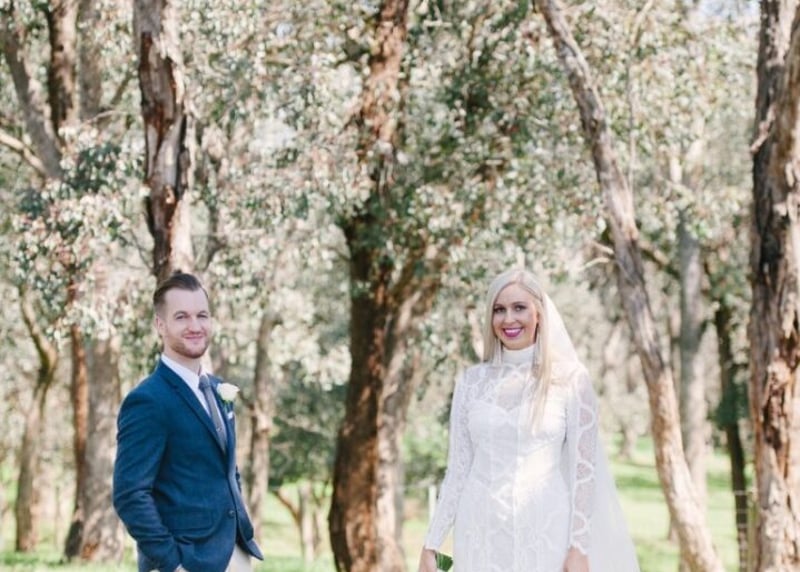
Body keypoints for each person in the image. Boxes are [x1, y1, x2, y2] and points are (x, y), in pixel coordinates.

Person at [417, 269, 640, 572]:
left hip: (545, 531)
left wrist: (579, 547)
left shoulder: (571, 380)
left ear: (539, 314)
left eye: (519, 307)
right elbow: (458, 469)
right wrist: (432, 543)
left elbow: (584, 472)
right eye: (499, 309)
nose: (508, 319)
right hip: (479, 532)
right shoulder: (471, 383)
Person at [113, 272, 263, 572]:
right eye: (181, 317)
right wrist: (172, 563)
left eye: (202, 315)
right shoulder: (148, 400)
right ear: (160, 325)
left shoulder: (217, 389)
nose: (195, 326)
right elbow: (130, 495)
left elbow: (226, 470)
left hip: (234, 554)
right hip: (184, 560)